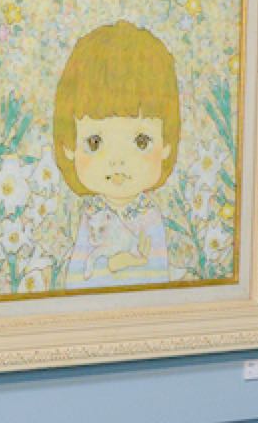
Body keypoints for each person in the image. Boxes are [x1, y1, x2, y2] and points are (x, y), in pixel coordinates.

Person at [52, 22, 181, 291]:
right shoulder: (91, 216)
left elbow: (158, 282)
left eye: (141, 141)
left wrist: (128, 263)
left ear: (166, 145)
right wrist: (114, 264)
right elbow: (75, 282)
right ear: (69, 145)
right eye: (95, 142)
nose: (118, 160)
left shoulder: (149, 217)